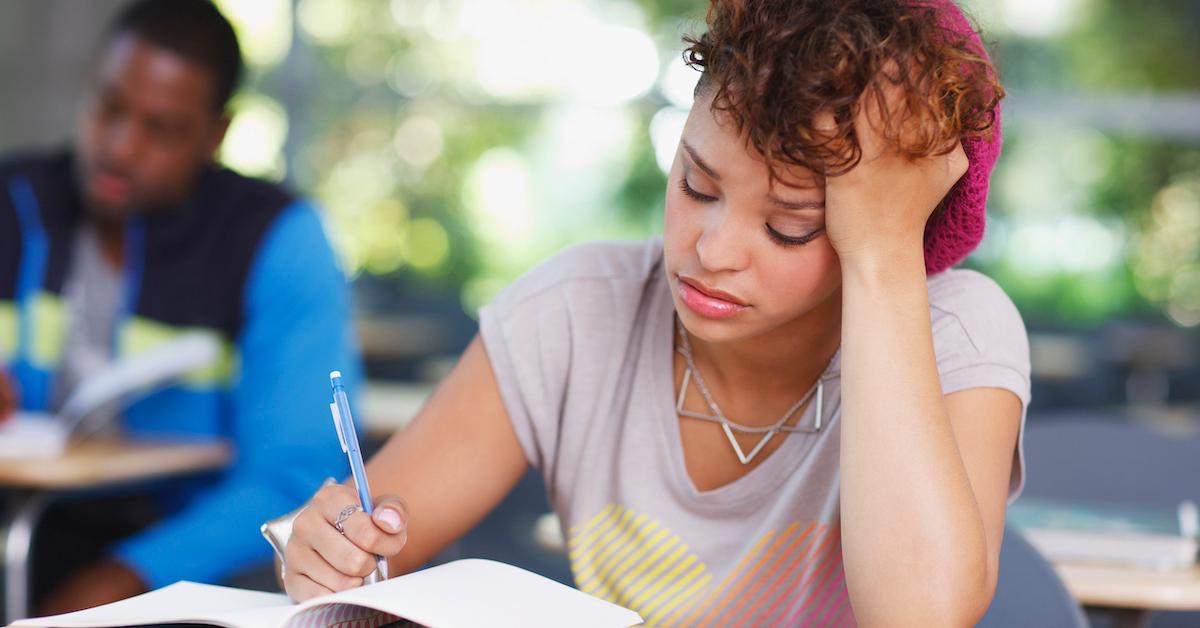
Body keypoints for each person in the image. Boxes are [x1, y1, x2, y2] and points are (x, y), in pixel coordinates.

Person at [283, 0, 1027, 625]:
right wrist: (333, 551)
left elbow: (921, 616)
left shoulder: (955, 332)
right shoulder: (576, 311)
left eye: (788, 225)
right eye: (699, 185)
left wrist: (885, 256)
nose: (713, 248)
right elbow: (373, 546)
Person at [0, 0, 358, 614]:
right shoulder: (14, 200)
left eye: (160, 128)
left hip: (194, 567)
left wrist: (128, 576)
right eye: (108, 108)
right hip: (22, 535)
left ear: (216, 134)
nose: (119, 147)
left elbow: (298, 477)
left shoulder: (276, 239)